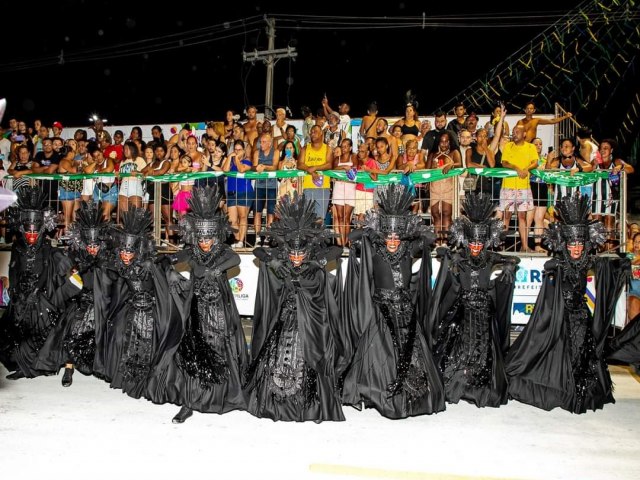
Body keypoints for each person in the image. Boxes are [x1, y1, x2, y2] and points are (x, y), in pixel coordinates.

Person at [506, 193, 629, 413]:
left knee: (584, 352)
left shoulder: (587, 261)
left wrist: (621, 266)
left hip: (581, 315)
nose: (576, 249)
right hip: (560, 318)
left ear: (585, 244)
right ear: (565, 244)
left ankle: (579, 388)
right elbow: (549, 271)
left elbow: (607, 267)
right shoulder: (559, 263)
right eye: (572, 245)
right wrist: (553, 268)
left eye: (579, 245)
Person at [341, 184, 446, 419]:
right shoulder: (375, 249)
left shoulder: (409, 248)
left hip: (405, 309)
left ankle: (411, 395)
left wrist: (409, 229)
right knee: (381, 352)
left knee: (412, 351)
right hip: (381, 310)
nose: (392, 240)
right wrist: (372, 229)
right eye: (388, 236)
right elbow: (352, 237)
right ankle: (377, 391)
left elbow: (430, 236)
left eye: (396, 236)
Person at [243, 192, 347, 422]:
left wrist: (315, 263)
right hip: (284, 320)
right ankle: (276, 403)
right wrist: (274, 261)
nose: (297, 257)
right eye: (293, 253)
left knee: (309, 358)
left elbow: (337, 250)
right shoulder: (282, 259)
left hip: (308, 325)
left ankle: (306, 404)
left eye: (301, 253)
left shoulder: (312, 259)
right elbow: (258, 250)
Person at [158, 186, 248, 423]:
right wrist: (166, 258)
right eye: (201, 238)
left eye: (209, 238)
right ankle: (188, 403)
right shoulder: (192, 251)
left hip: (218, 313)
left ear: (215, 236)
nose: (205, 243)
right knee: (192, 354)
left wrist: (214, 269)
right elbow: (176, 258)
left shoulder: (222, 251)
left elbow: (236, 258)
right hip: (196, 311)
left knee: (219, 352)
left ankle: (219, 397)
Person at [430, 193, 519, 407]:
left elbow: (513, 258)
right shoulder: (459, 257)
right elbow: (443, 253)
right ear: (467, 240)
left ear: (486, 241)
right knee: (461, 348)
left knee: (484, 349)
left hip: (484, 311)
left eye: (480, 241)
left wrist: (508, 264)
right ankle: (460, 383)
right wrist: (445, 257)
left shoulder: (490, 257)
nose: (476, 245)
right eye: (473, 241)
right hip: (463, 310)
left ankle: (477, 387)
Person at [97, 207, 182, 400]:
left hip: (151, 311)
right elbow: (104, 263)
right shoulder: (120, 264)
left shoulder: (148, 265)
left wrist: (155, 265)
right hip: (131, 310)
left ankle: (147, 381)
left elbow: (163, 273)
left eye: (130, 251)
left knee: (148, 345)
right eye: (123, 251)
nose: (126, 255)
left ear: (138, 251)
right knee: (122, 339)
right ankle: (127, 378)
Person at [0, 186, 74, 380]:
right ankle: (22, 368)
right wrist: (13, 294)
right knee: (17, 337)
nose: (31, 234)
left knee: (38, 336)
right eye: (28, 230)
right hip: (20, 299)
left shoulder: (49, 250)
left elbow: (59, 273)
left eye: (35, 230)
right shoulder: (17, 247)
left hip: (42, 300)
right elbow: (13, 270)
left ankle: (35, 368)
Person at [35, 201, 110, 386]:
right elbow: (71, 284)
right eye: (89, 245)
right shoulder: (75, 258)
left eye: (96, 245)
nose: (92, 249)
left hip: (101, 306)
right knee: (70, 328)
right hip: (80, 303)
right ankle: (69, 369)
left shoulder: (108, 261)